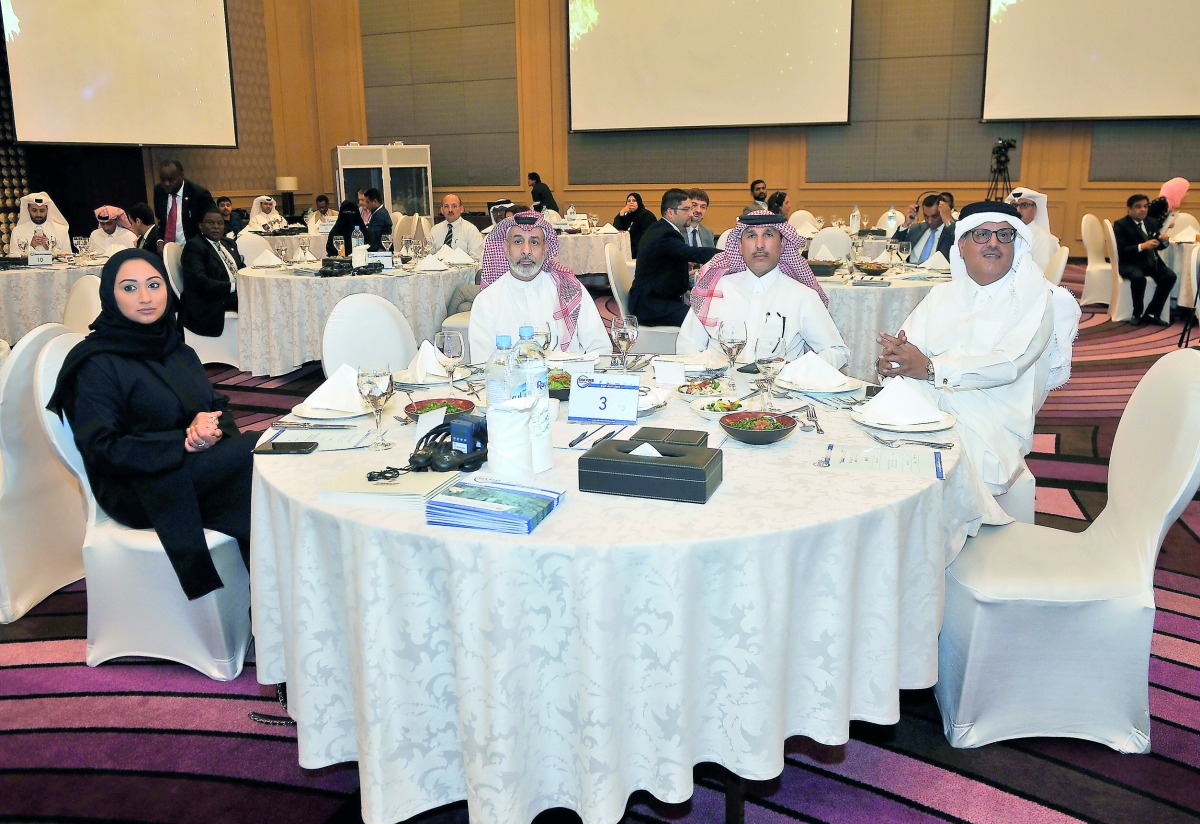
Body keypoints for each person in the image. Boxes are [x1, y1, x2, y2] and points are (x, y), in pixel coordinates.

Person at [46, 248, 256, 601]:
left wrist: (212, 430)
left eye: (154, 285)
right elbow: (103, 448)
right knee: (256, 463)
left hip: (193, 466)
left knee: (270, 454)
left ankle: (271, 597)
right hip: (136, 485)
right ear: (109, 296)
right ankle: (274, 600)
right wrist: (183, 443)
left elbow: (214, 406)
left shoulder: (174, 347)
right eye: (129, 288)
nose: (145, 297)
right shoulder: (95, 363)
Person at [876, 201, 1054, 509]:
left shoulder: (1034, 297)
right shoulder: (941, 295)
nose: (994, 243)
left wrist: (931, 369)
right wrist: (891, 364)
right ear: (961, 247)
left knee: (906, 474)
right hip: (929, 411)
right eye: (982, 234)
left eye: (1004, 236)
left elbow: (1009, 364)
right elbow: (907, 353)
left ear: (1016, 244)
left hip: (991, 428)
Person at [680, 212, 845, 366]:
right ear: (739, 245)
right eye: (751, 236)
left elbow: (836, 352)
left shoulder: (803, 295)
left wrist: (797, 372)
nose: (759, 245)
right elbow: (688, 345)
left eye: (768, 234)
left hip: (779, 393)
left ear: (782, 243)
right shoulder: (716, 288)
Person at [469, 211, 610, 363]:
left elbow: (601, 349)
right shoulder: (486, 301)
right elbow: (482, 365)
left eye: (534, 242)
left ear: (546, 249)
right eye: (518, 241)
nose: (526, 251)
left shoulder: (570, 289)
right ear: (505, 248)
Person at [628, 189, 722, 326]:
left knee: (703, 311)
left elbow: (667, 265)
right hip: (650, 306)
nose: (691, 213)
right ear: (671, 212)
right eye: (686, 209)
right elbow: (693, 253)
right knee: (700, 321)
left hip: (653, 299)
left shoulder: (660, 229)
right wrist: (727, 254)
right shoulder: (666, 234)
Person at [1112, 193, 1177, 326]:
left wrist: (1164, 241)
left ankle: (1153, 312)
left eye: (1145, 206)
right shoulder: (1121, 225)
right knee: (1138, 278)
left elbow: (1158, 246)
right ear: (1129, 209)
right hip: (1130, 262)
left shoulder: (1151, 222)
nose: (1142, 210)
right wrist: (1142, 246)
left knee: (1170, 276)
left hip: (1150, 261)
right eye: (1138, 207)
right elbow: (1122, 251)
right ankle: (1137, 313)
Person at [180, 207, 244, 336]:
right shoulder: (194, 247)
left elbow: (241, 267)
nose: (216, 227)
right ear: (200, 226)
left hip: (237, 292)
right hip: (212, 300)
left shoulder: (229, 243)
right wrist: (235, 287)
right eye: (210, 223)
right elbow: (201, 282)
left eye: (220, 223)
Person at [153, 158, 216, 244]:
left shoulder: (199, 194)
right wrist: (160, 240)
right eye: (162, 180)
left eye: (171, 180)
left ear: (181, 176)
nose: (166, 184)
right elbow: (162, 220)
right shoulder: (159, 191)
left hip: (193, 248)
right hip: (168, 250)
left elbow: (212, 225)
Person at [1004, 187, 1059, 270]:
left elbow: (1041, 272)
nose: (1018, 210)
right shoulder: (1005, 233)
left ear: (1035, 209)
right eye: (1014, 206)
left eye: (1024, 205)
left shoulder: (1042, 238)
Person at [893, 193, 955, 264]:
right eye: (926, 216)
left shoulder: (951, 230)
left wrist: (949, 220)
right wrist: (906, 224)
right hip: (910, 271)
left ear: (942, 212)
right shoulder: (916, 228)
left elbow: (959, 243)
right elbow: (893, 248)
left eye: (934, 216)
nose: (929, 221)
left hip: (936, 273)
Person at [429, 194, 484, 261]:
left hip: (463, 270)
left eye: (454, 206)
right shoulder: (435, 230)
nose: (450, 210)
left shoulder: (471, 230)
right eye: (446, 206)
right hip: (437, 270)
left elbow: (476, 258)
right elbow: (429, 255)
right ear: (442, 210)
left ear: (461, 209)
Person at [613, 192, 657, 257]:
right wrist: (622, 212)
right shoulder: (628, 215)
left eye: (634, 201)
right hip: (628, 247)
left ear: (638, 202)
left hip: (642, 248)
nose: (631, 203)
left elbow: (647, 236)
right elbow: (616, 229)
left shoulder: (646, 215)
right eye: (629, 201)